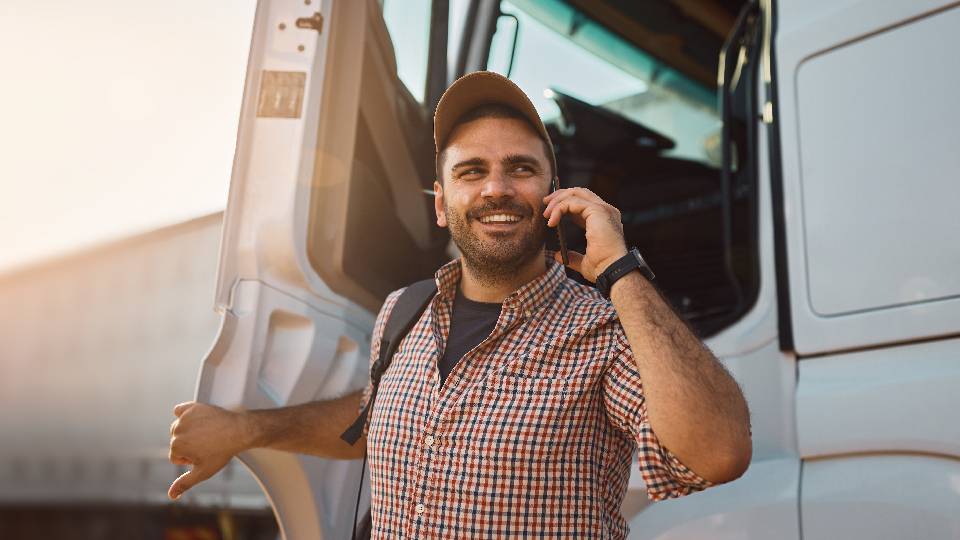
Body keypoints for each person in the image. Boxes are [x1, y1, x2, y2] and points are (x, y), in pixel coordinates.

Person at [168, 71, 751, 538]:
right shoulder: (404, 312)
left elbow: (719, 454)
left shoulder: (602, 331)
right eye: (473, 171)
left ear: (554, 196)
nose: (496, 188)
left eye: (520, 169)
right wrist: (242, 428)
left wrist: (621, 271)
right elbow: (375, 421)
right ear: (443, 205)